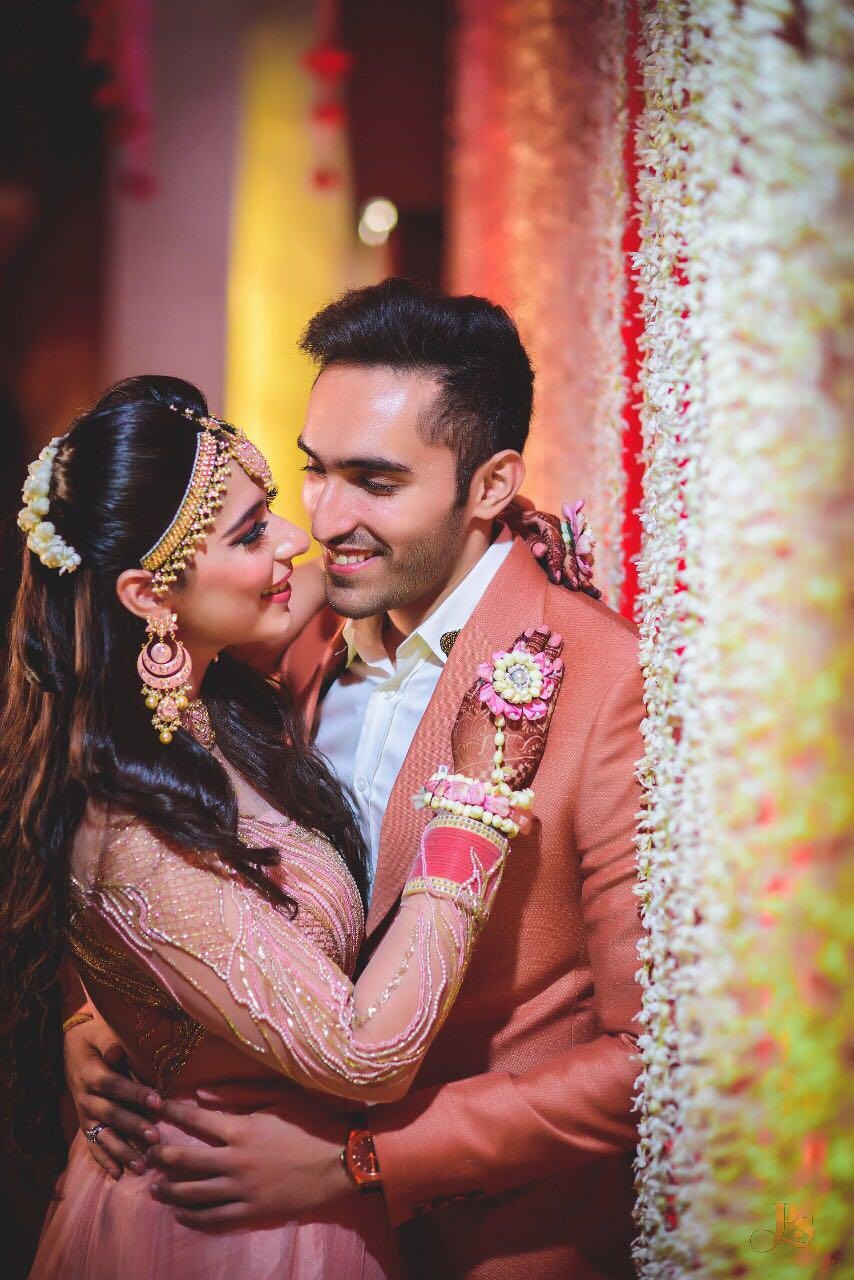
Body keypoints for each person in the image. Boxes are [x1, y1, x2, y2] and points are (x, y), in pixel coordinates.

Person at [64, 281, 645, 1279]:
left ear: (491, 482)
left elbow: (648, 1058)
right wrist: (109, 1017)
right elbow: (174, 859)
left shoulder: (600, 678)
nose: (322, 518)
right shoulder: (280, 642)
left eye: (373, 480)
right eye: (313, 471)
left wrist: (365, 1162)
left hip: (483, 1236)